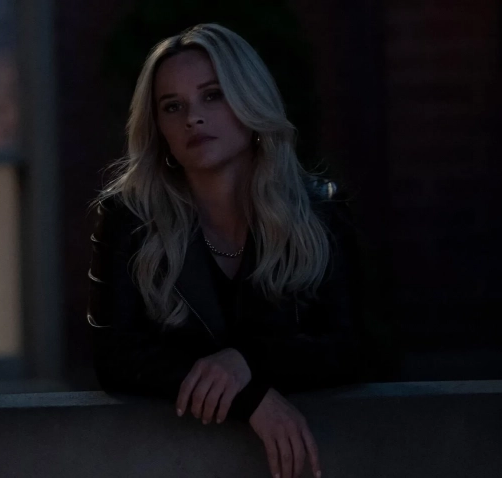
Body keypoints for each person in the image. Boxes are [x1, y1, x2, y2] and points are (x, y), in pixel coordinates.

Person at [87, 23, 365, 478]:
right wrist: (248, 396)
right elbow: (115, 356)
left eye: (212, 96)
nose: (192, 118)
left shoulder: (321, 211)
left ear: (250, 100)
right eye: (172, 106)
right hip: (167, 463)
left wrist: (247, 361)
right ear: (158, 128)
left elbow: (352, 347)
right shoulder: (127, 219)